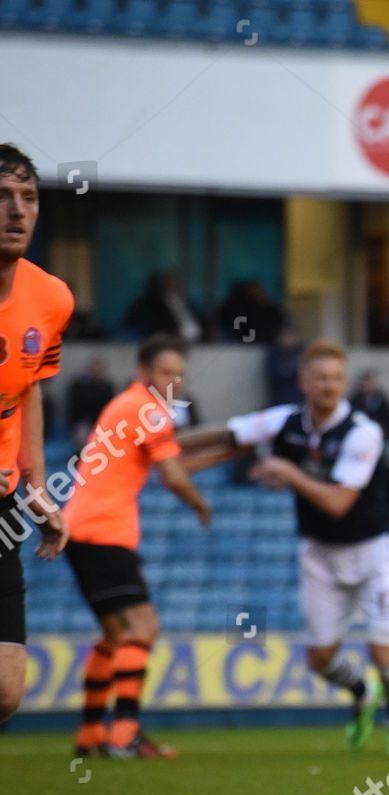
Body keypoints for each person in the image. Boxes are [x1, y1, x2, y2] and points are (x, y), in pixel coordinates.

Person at [178, 340, 389, 754]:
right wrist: (162, 449)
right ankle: (363, 693)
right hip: (321, 553)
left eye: (337, 378)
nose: (330, 385)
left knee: (384, 652)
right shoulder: (286, 421)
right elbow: (229, 434)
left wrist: (288, 471)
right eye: (322, 377)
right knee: (320, 659)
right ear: (303, 381)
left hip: (377, 550)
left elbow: (339, 503)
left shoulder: (362, 432)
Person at [64, 335, 212, 758]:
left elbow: (170, 461)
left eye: (179, 375)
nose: (174, 382)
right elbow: (173, 476)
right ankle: (125, 732)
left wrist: (225, 451)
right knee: (144, 628)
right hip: (105, 532)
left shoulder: (128, 407)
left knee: (114, 634)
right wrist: (200, 503)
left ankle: (91, 735)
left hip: (80, 529)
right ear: (143, 372)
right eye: (166, 372)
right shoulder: (148, 410)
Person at [0, 143, 71, 724]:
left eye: (28, 197)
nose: (16, 211)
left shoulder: (51, 298)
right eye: (1, 197)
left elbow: (29, 389)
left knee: (5, 689)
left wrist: (37, 485)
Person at [125, 271, 203, 342]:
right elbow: (150, 325)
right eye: (167, 282)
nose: (172, 285)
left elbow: (198, 318)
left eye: (174, 282)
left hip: (198, 340)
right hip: (168, 341)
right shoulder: (150, 304)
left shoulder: (184, 301)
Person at [66, 358, 114, 448]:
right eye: (94, 369)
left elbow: (109, 409)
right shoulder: (79, 387)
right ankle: (81, 458)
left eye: (98, 369)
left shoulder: (107, 388)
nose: (96, 372)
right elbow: (75, 410)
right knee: (81, 435)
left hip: (101, 423)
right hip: (83, 423)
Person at [351, 370, 389, 436]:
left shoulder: (383, 402)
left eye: (369, 384)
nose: (367, 387)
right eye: (365, 384)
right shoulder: (354, 401)